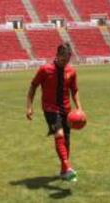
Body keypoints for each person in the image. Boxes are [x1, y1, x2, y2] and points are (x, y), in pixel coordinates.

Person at [26, 42, 82, 182]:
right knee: (59, 134)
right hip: (50, 109)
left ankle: (64, 171)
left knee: (66, 141)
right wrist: (29, 106)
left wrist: (79, 108)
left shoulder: (71, 72)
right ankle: (68, 167)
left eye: (68, 60)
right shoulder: (45, 69)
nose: (65, 63)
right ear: (57, 55)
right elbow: (33, 87)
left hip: (67, 110)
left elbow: (74, 91)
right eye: (63, 59)